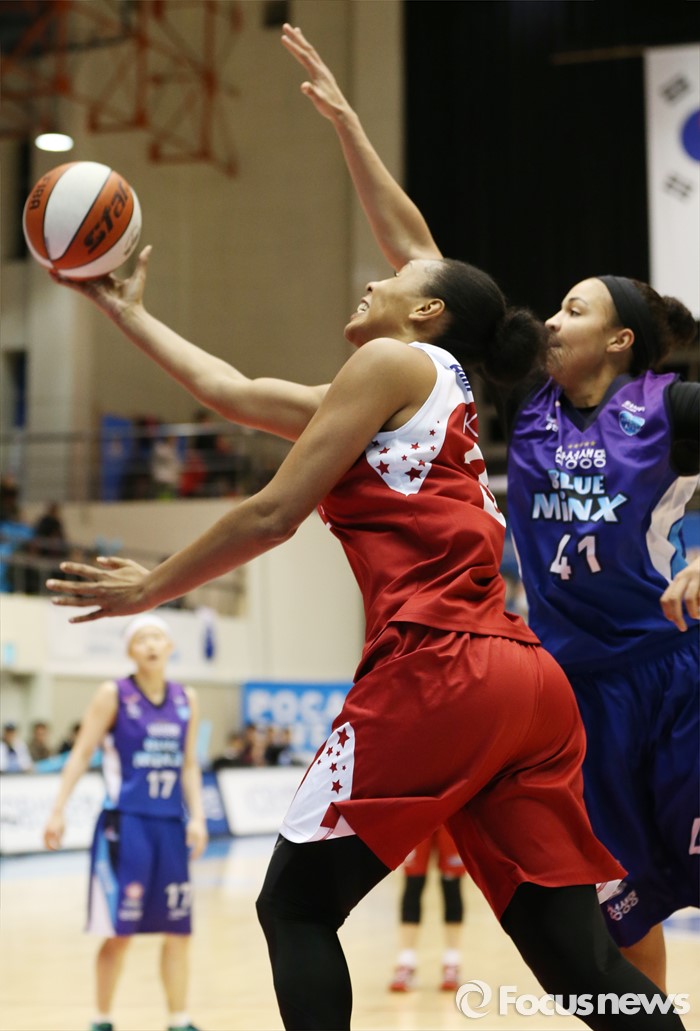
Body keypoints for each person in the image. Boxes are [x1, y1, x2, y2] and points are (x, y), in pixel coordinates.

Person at [44, 45, 685, 1031]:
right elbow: (232, 389)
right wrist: (131, 313)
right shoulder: (433, 388)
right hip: (527, 684)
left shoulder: (394, 365)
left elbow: (272, 512)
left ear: (424, 311)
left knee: (294, 906)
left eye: (391, 279)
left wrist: (149, 588)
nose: (372, 279)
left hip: (440, 669)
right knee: (576, 959)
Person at [278, 22, 700, 996]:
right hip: (577, 691)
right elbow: (416, 253)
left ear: (621, 341)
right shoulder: (525, 400)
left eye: (574, 308)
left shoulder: (667, 407)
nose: (549, 317)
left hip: (671, 671)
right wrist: (348, 125)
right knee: (621, 911)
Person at [43, 612, 208, 1031]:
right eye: (141, 639)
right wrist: (58, 809)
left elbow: (189, 763)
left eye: (157, 637)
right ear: (129, 650)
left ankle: (179, 1018)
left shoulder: (186, 698)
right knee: (120, 931)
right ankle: (102, 1017)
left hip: (170, 825)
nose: (151, 645)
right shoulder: (113, 694)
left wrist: (198, 817)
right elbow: (82, 753)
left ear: (170, 647)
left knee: (179, 929)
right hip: (126, 824)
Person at [388, 825, 467, 993]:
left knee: (452, 885)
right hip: (419, 816)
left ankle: (452, 961)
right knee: (413, 883)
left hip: (450, 817)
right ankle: (406, 961)